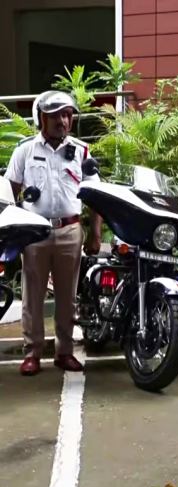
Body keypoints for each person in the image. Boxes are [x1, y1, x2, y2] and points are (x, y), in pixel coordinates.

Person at [5, 90, 102, 376]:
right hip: (34, 231)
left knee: (67, 295)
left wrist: (95, 234)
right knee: (33, 294)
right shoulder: (25, 150)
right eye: (56, 115)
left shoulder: (82, 152)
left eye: (68, 114)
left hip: (70, 230)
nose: (63, 120)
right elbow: (10, 192)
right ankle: (33, 352)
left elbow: (95, 196)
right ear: (41, 118)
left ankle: (64, 351)